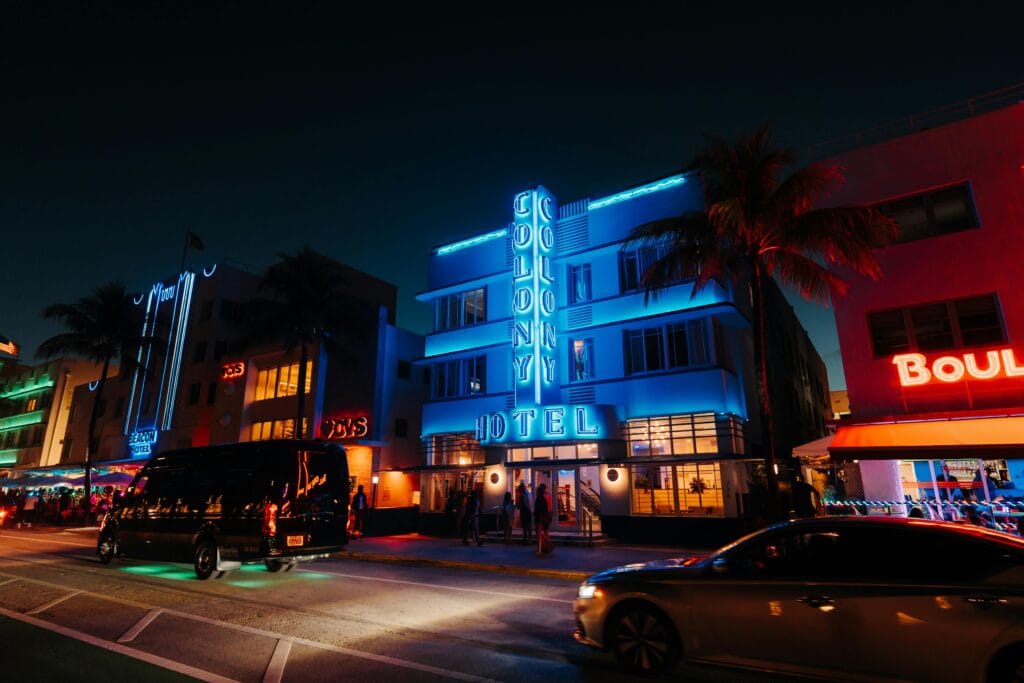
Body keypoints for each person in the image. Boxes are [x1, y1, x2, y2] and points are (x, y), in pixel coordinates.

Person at [534, 483, 552, 556]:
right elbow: (547, 508)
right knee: (545, 532)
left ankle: (540, 549)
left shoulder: (539, 499)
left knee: (539, 533)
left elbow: (537, 509)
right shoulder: (546, 497)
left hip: (540, 518)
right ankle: (546, 546)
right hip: (545, 518)